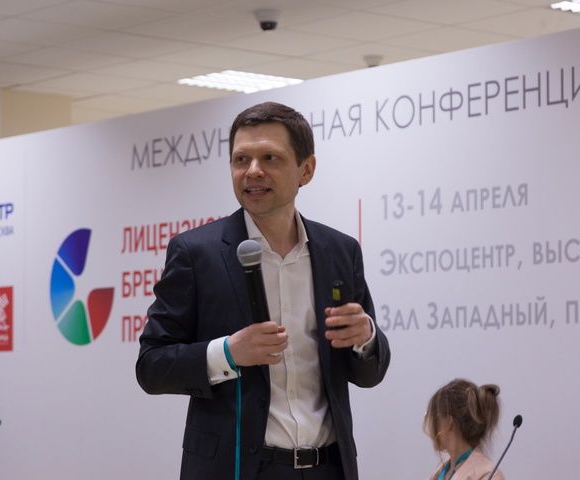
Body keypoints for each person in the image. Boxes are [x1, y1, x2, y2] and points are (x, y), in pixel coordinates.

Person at [136, 101, 390, 480]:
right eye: (241, 160)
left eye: (270, 157)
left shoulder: (340, 251)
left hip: (328, 467)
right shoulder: (196, 253)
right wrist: (228, 353)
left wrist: (365, 337)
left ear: (306, 169)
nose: (253, 171)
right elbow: (152, 366)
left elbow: (369, 373)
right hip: (239, 469)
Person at [424, 379, 504, 480]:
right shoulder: (442, 471)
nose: (431, 429)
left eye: (434, 420)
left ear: (449, 423)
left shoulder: (488, 476)